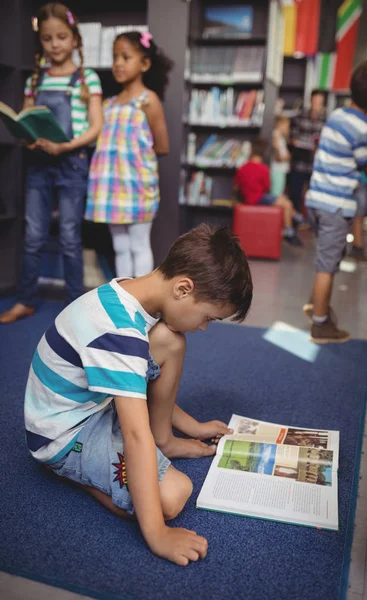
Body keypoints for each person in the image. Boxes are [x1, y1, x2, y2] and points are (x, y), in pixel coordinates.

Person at [24, 224, 253, 566]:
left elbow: (133, 380)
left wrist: (191, 425)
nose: (204, 327)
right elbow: (134, 434)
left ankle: (166, 439)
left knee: (171, 339)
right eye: (208, 317)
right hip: (60, 434)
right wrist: (158, 534)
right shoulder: (120, 333)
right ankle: (69, 471)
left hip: (90, 403)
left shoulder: (129, 294)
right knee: (174, 496)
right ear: (183, 288)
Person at [0, 3, 103, 324]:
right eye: (47, 38)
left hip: (72, 163)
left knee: (71, 236)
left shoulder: (87, 78)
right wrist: (27, 136)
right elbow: (27, 116)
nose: (55, 44)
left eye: (61, 36)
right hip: (39, 164)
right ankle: (26, 300)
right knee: (33, 234)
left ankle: (74, 304)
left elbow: (96, 126)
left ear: (74, 39)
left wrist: (65, 146)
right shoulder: (36, 79)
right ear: (41, 42)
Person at [303, 60, 367, 343]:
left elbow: (361, 145)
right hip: (335, 206)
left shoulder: (339, 116)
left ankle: (315, 306)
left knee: (327, 257)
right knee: (328, 265)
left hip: (317, 201)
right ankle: (320, 324)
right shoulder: (364, 131)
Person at [85, 31, 173, 279]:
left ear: (144, 63)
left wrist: (135, 159)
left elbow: (162, 146)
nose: (118, 63)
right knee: (120, 247)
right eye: (115, 57)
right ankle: (124, 299)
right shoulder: (109, 104)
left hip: (136, 186)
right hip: (111, 186)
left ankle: (142, 303)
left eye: (126, 57)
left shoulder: (148, 101)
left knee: (138, 243)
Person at [234, 137, 304, 247]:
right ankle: (292, 227)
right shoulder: (264, 169)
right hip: (258, 198)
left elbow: (237, 185)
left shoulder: (243, 168)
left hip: (248, 197)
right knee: (287, 203)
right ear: (264, 153)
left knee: (283, 200)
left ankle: (296, 217)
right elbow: (267, 187)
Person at [289, 89, 326, 213]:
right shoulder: (299, 117)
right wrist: (303, 143)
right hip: (299, 162)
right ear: (311, 100)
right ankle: (295, 220)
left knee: (315, 196)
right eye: (315, 101)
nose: (317, 104)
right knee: (295, 194)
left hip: (315, 165)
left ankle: (309, 221)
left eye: (320, 102)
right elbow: (293, 139)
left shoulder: (325, 121)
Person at [271, 116, 291, 197]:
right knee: (276, 195)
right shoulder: (275, 134)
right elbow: (278, 154)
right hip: (277, 169)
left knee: (278, 192)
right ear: (280, 124)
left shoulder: (280, 136)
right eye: (286, 126)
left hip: (280, 169)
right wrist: (285, 157)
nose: (287, 128)